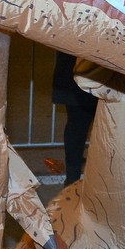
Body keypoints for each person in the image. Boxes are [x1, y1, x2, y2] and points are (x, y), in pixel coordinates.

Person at [50, 51, 99, 185]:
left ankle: (73, 177)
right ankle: (73, 177)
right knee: (79, 122)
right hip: (87, 65)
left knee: (77, 123)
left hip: (78, 64)